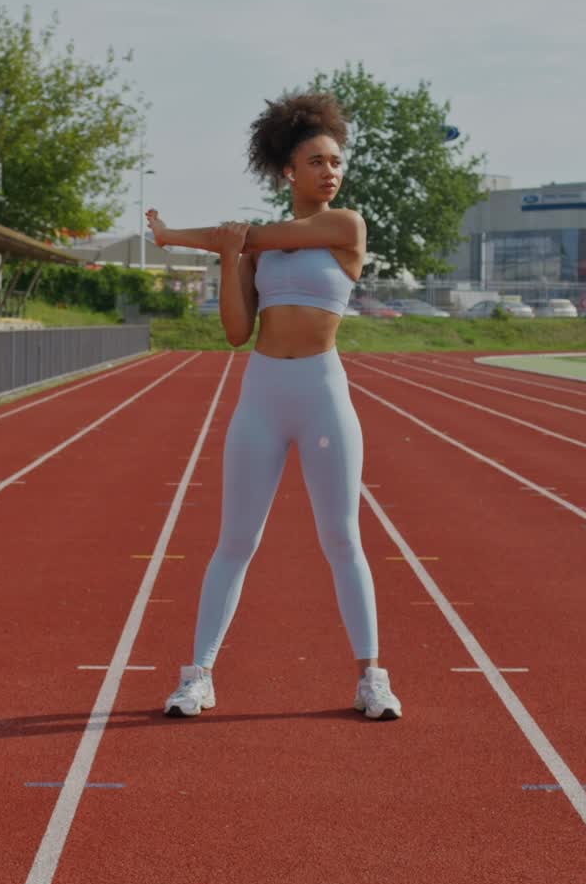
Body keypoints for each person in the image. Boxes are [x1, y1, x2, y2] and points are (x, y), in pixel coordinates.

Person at [146, 91, 402, 722]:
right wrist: (230, 254)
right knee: (235, 540)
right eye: (316, 160)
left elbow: (261, 231)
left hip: (322, 393)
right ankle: (198, 675)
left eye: (336, 161)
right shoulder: (254, 244)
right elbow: (236, 333)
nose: (330, 171)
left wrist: (177, 235)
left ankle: (371, 676)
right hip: (261, 394)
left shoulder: (347, 227)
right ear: (289, 170)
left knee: (342, 537)